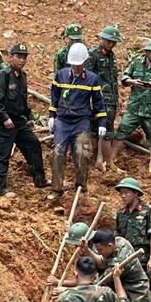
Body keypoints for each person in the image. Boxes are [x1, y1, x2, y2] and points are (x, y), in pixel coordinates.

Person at [48, 42, 106, 200]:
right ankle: (57, 189)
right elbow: (54, 97)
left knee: (81, 153)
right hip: (63, 121)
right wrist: (52, 116)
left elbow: (99, 103)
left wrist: (101, 124)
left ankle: (81, 187)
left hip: (81, 121)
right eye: (73, 64)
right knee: (57, 152)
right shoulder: (61, 75)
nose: (76, 68)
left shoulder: (92, 79)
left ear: (85, 63)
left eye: (79, 64)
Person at [0, 43, 48, 195]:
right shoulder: (4, 75)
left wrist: (29, 117)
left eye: (24, 57)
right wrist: (5, 118)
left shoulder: (22, 76)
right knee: (2, 156)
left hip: (18, 121)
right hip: (4, 123)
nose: (22, 60)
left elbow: (23, 101)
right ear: (11, 57)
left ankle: (39, 179)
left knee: (33, 144)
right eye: (19, 57)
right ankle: (0, 189)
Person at [110, 38, 151, 173]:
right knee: (121, 132)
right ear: (146, 52)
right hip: (134, 107)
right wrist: (133, 82)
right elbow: (124, 78)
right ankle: (111, 159)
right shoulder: (136, 63)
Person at [85, 25, 122, 170]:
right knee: (97, 129)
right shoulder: (93, 55)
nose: (111, 44)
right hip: (98, 98)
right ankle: (99, 160)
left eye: (114, 42)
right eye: (109, 41)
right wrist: (89, 97)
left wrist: (117, 96)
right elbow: (88, 77)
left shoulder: (112, 56)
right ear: (102, 39)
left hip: (110, 99)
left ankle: (106, 161)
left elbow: (113, 78)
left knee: (108, 130)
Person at [114, 177, 151, 280]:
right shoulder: (120, 213)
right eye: (121, 193)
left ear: (135, 193)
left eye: (126, 193)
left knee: (143, 287)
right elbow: (117, 236)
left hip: (142, 258)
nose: (123, 196)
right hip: (125, 258)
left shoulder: (148, 210)